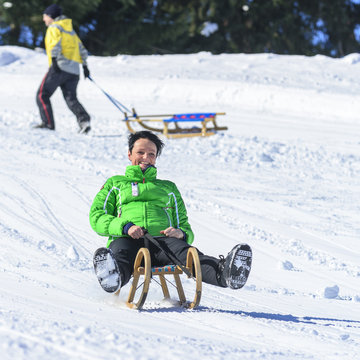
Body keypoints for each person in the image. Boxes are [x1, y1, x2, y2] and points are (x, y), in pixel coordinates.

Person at [89, 131, 252, 294]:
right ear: (130, 154)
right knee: (121, 255)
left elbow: (183, 223)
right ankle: (112, 275)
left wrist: (181, 233)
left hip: (161, 242)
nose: (146, 157)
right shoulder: (115, 184)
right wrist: (125, 227)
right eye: (140, 152)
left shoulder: (168, 188)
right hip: (127, 238)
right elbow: (97, 216)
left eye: (151, 154)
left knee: (189, 254)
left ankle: (224, 273)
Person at [34, 4, 91, 134]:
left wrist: (54, 60)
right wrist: (85, 66)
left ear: (51, 16)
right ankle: (84, 120)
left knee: (42, 95)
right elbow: (82, 49)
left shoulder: (54, 28)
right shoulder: (70, 30)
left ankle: (48, 124)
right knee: (71, 98)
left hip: (59, 67)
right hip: (74, 71)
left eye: (45, 16)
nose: (44, 20)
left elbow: (54, 45)